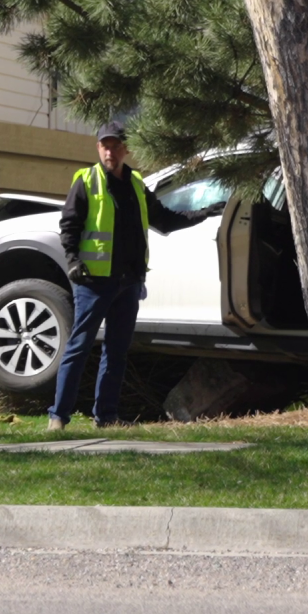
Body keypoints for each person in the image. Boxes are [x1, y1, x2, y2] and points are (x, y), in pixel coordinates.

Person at [47, 121, 224, 430]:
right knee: (79, 347)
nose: (109, 151)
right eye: (105, 145)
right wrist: (73, 262)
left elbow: (164, 219)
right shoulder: (86, 181)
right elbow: (69, 226)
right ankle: (58, 417)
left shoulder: (137, 184)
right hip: (93, 282)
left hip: (128, 283)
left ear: (126, 149)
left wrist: (205, 212)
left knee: (116, 352)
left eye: (115, 146)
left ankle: (107, 417)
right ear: (98, 147)